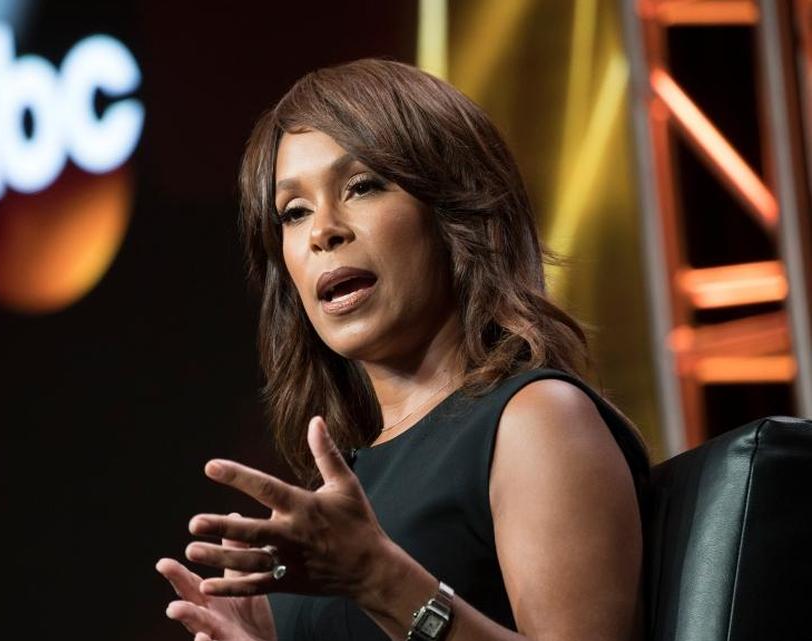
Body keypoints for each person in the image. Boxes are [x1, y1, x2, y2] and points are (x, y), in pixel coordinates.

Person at [155, 58, 650, 641]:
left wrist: (380, 580)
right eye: (294, 212)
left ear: (454, 213)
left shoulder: (535, 420)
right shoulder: (346, 485)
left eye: (361, 186)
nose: (323, 232)